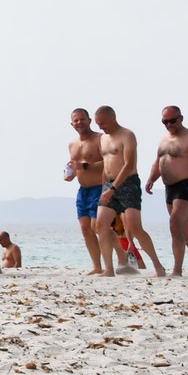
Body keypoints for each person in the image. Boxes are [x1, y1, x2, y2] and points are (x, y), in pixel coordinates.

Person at [143, 106, 188, 276]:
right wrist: (152, 178)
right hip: (170, 187)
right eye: (165, 121)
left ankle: (177, 270)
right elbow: (159, 161)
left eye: (172, 120)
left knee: (175, 223)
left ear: (181, 118)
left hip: (187, 184)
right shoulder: (164, 139)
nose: (169, 124)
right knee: (182, 227)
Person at [93, 106, 162, 277]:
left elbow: (129, 164)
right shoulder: (102, 139)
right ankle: (108, 269)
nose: (101, 127)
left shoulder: (127, 135)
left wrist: (114, 188)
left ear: (113, 117)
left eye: (103, 123)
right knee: (100, 225)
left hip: (128, 184)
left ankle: (157, 265)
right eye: (98, 124)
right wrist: (105, 188)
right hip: (108, 185)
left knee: (135, 228)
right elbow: (106, 165)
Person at [65, 108, 111, 275]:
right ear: (72, 124)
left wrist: (84, 166)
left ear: (89, 120)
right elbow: (74, 165)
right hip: (82, 190)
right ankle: (97, 266)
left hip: (99, 187)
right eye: (76, 120)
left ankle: (117, 259)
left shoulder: (100, 139)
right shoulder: (72, 144)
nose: (79, 123)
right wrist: (70, 174)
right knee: (85, 228)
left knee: (98, 226)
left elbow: (108, 162)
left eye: (82, 119)